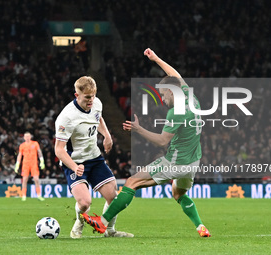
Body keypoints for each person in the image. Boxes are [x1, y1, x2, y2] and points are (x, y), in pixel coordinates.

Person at [82, 48, 211, 237]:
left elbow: (162, 141)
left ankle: (102, 222)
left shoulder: (176, 112)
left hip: (176, 161)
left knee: (132, 182)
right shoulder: (192, 99)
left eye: (164, 94)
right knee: (178, 194)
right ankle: (200, 226)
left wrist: (138, 129)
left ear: (171, 91)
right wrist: (156, 58)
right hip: (193, 162)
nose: (162, 98)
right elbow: (175, 75)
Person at [55, 76, 133, 239]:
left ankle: (109, 230)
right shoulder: (67, 117)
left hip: (94, 158)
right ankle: (79, 223)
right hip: (74, 161)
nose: (92, 100)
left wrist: (106, 135)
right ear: (77, 95)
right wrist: (75, 167)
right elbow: (59, 150)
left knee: (114, 198)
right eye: (87, 97)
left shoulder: (97, 103)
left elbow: (98, 118)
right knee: (84, 203)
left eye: (94, 95)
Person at [14, 132, 45, 201]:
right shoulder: (22, 145)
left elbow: (39, 152)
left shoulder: (35, 143)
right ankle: (24, 195)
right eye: (26, 136)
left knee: (36, 179)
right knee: (24, 180)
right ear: (24, 138)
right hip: (25, 164)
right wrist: (17, 164)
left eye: (28, 136)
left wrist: (42, 161)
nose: (27, 138)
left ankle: (39, 195)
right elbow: (19, 155)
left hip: (34, 163)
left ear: (30, 137)